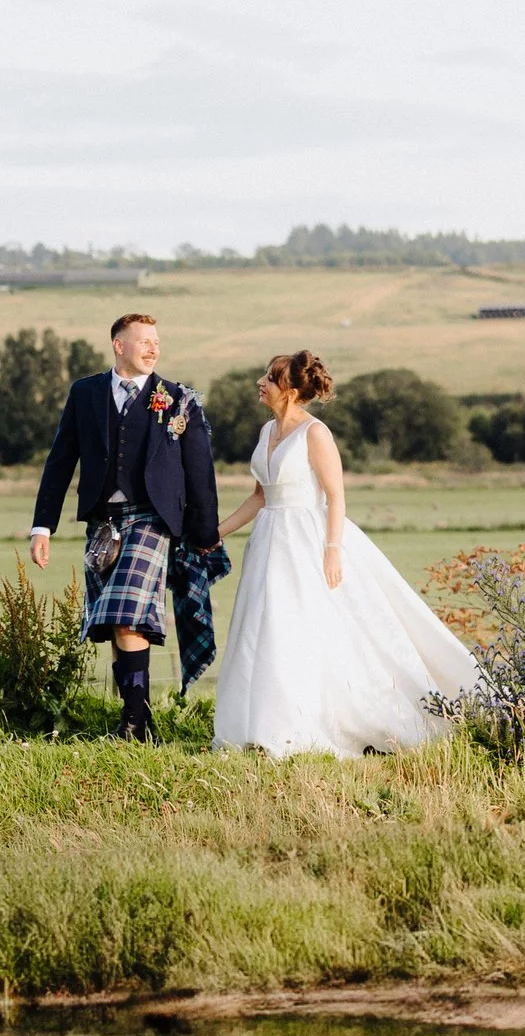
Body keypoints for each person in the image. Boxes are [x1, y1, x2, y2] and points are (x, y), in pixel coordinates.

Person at [210, 350, 476, 758]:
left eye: (270, 377)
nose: (260, 382)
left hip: (306, 540)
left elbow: (335, 496)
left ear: (292, 390)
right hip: (267, 541)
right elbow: (261, 496)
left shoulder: (315, 434)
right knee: (261, 628)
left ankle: (304, 726)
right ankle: (260, 725)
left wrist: (332, 550)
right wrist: (218, 532)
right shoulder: (266, 432)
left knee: (299, 626)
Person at [28, 313, 222, 741]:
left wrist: (206, 534)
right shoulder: (86, 393)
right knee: (118, 623)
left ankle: (135, 723)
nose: (153, 348)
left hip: (152, 519)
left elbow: (199, 471)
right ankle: (139, 720)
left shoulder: (177, 399)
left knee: (128, 616)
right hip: (103, 524)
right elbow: (61, 460)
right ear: (119, 345)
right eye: (144, 341)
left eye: (156, 341)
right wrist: (42, 527)